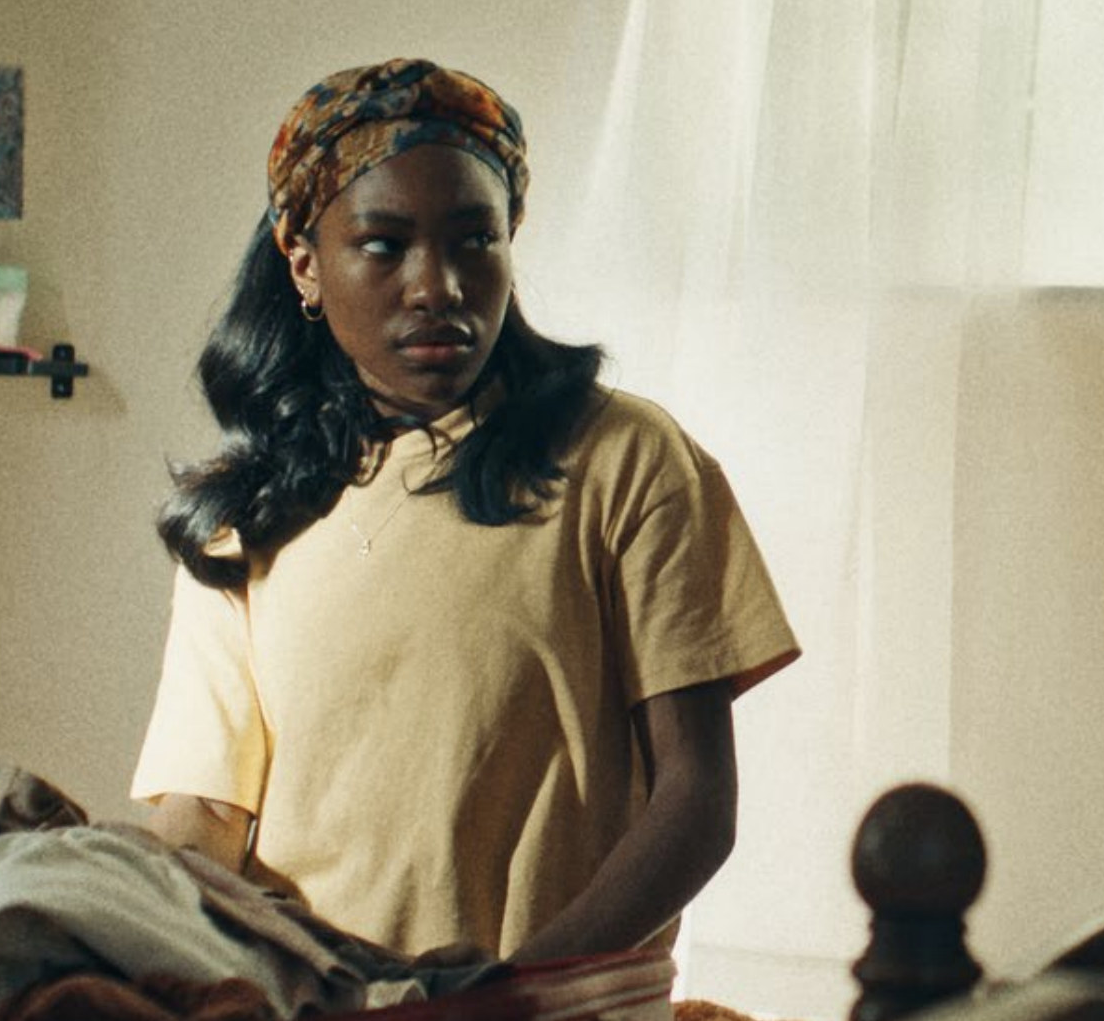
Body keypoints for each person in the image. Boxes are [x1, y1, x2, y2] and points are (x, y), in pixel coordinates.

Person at [131, 58, 800, 966]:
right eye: (384, 245)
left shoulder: (624, 457)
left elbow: (696, 802)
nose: (436, 286)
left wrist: (509, 994)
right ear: (305, 266)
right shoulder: (242, 515)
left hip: (559, 1003)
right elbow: (202, 817)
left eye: (474, 239)